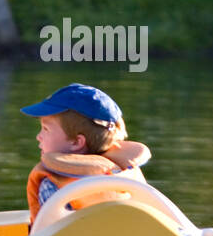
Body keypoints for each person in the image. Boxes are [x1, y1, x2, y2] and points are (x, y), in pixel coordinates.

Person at [21, 83, 151, 226]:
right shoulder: (128, 174)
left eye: (45, 129)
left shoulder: (53, 185)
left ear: (77, 142)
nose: (38, 136)